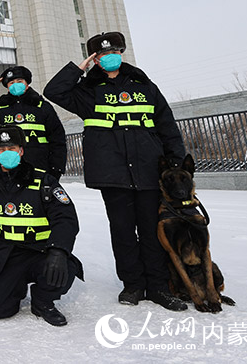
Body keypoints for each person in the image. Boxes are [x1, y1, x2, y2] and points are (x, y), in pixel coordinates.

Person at [43, 31, 187, 311]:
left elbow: (167, 126)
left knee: (150, 230)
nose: (110, 58)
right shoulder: (87, 92)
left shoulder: (144, 85)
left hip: (148, 171)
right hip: (112, 174)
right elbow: (54, 91)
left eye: (114, 52)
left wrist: (175, 162)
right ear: (96, 59)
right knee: (122, 232)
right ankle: (132, 285)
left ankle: (158, 286)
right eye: (102, 55)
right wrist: (78, 69)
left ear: (121, 53)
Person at [0, 126, 82, 326]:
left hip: (42, 250)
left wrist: (58, 251)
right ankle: (15, 285)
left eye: (12, 148)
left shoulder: (43, 181)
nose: (6, 153)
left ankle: (42, 301)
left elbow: (66, 218)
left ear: (21, 150)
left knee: (62, 268)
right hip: (7, 254)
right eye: (1, 149)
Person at [0, 65, 67, 178]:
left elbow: (58, 138)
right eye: (11, 83)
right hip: (9, 168)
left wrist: (57, 168)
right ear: (7, 87)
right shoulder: (1, 108)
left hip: (40, 166)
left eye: (19, 81)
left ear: (27, 83)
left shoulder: (42, 106)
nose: (16, 84)